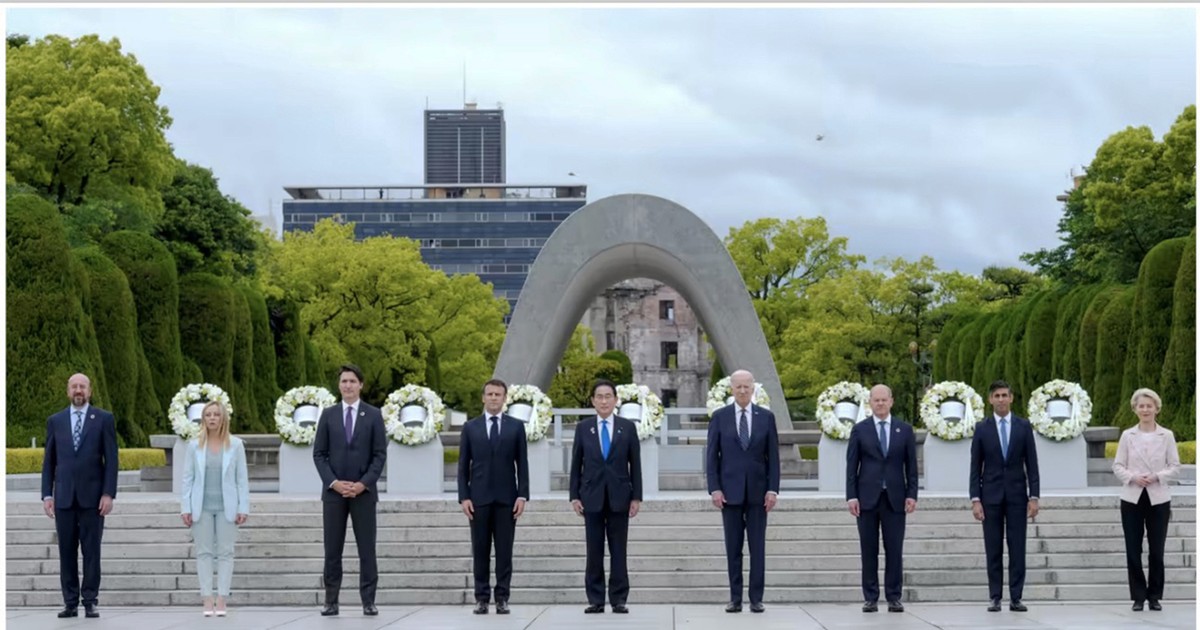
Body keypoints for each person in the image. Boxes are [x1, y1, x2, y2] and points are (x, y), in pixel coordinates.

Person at [41, 373, 119, 619]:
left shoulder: (103, 419)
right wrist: (46, 494)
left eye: (82, 386)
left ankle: (90, 600)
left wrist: (108, 493)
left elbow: (112, 460)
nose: (78, 390)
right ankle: (70, 602)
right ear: (68, 391)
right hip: (63, 498)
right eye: (74, 386)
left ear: (89, 391)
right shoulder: (56, 421)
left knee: (91, 551)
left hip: (93, 499)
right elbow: (49, 461)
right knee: (66, 551)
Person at [313, 364, 387, 616]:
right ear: (339, 385)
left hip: (363, 493)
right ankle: (331, 601)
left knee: (367, 549)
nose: (348, 385)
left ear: (361, 385)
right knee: (332, 549)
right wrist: (333, 482)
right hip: (334, 494)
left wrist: (362, 484)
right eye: (344, 381)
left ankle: (368, 600)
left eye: (352, 381)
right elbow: (319, 454)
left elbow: (379, 455)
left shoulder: (374, 415)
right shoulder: (329, 414)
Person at [706, 369, 780, 613]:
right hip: (730, 493)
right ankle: (735, 598)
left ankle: (756, 598)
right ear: (731, 389)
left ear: (753, 388)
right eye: (738, 386)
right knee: (733, 548)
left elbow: (774, 458)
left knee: (757, 548)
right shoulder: (720, 417)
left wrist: (772, 489)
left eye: (746, 386)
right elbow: (712, 457)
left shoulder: (766, 417)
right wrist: (715, 488)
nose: (742, 390)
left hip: (759, 494)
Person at [569, 379, 643, 614]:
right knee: (594, 550)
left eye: (608, 396)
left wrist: (636, 497)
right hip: (591, 496)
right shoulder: (583, 428)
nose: (603, 401)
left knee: (618, 549)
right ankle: (596, 599)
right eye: (599, 397)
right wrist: (574, 495)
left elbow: (635, 465)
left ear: (615, 400)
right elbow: (576, 464)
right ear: (592, 401)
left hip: (620, 496)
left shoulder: (627, 427)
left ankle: (619, 598)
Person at [458, 378, 530, 615]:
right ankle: (481, 598)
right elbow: (462, 466)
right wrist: (464, 497)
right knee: (480, 551)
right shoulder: (471, 427)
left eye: (498, 395)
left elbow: (523, 464)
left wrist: (522, 496)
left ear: (504, 398)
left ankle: (502, 597)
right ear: (483, 397)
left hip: (507, 500)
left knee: (504, 552)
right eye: (489, 394)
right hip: (478, 500)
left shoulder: (516, 427)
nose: (493, 398)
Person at [969, 379, 1040, 612]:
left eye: (1004, 395)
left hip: (1018, 497)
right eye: (996, 396)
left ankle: (1016, 597)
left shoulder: (1023, 426)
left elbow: (1032, 464)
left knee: (1017, 548)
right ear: (990, 399)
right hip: (990, 498)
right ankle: (995, 596)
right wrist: (975, 499)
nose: (1000, 399)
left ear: (1011, 398)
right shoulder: (982, 428)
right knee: (993, 548)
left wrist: (1034, 496)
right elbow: (975, 467)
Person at [846, 384, 917, 613]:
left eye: (884, 400)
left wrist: (912, 495)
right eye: (876, 400)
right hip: (867, 499)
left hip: (895, 498)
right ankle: (871, 597)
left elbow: (912, 467)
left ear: (891, 401)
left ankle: (894, 596)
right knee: (869, 550)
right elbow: (852, 466)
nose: (880, 404)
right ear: (870, 403)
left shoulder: (904, 430)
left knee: (894, 549)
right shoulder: (860, 430)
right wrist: (851, 496)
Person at [1113, 388, 1181, 612]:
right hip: (1132, 497)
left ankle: (1154, 596)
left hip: (1158, 497)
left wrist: (1156, 476)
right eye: (1141, 406)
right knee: (1133, 549)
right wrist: (1133, 477)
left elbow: (1175, 467)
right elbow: (1117, 466)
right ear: (1135, 409)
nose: (1145, 409)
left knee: (1157, 550)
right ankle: (1138, 596)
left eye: (1149, 405)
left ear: (1156, 408)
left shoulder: (1167, 435)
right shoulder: (1127, 435)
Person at [180, 401, 250, 617]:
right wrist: (186, 507)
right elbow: (188, 479)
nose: (212, 418)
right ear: (203, 418)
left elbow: (242, 480)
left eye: (216, 415)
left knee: (226, 552)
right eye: (208, 414)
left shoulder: (236, 445)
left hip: (226, 507)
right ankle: (207, 599)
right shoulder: (194, 446)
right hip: (201, 507)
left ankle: (222, 599)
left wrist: (243, 507)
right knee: (204, 552)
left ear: (223, 418)